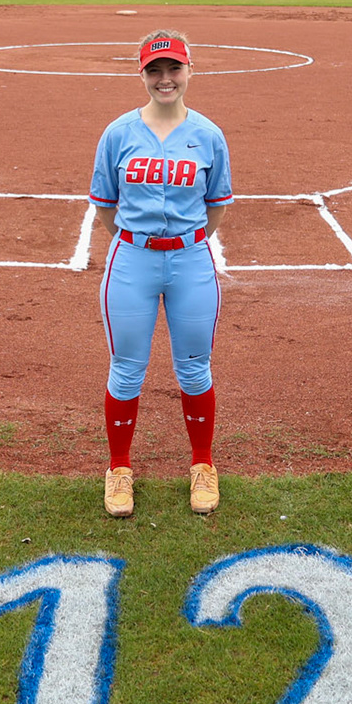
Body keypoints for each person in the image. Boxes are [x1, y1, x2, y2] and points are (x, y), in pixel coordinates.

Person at [88, 30, 233, 518]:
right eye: (155, 70)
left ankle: (202, 464)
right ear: (142, 75)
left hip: (191, 261)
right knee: (126, 369)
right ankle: (119, 468)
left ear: (190, 70)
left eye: (173, 69)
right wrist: (142, 241)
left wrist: (183, 242)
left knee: (195, 368)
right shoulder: (119, 133)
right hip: (133, 259)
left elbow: (215, 207)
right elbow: (106, 206)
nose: (164, 79)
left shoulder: (209, 135)